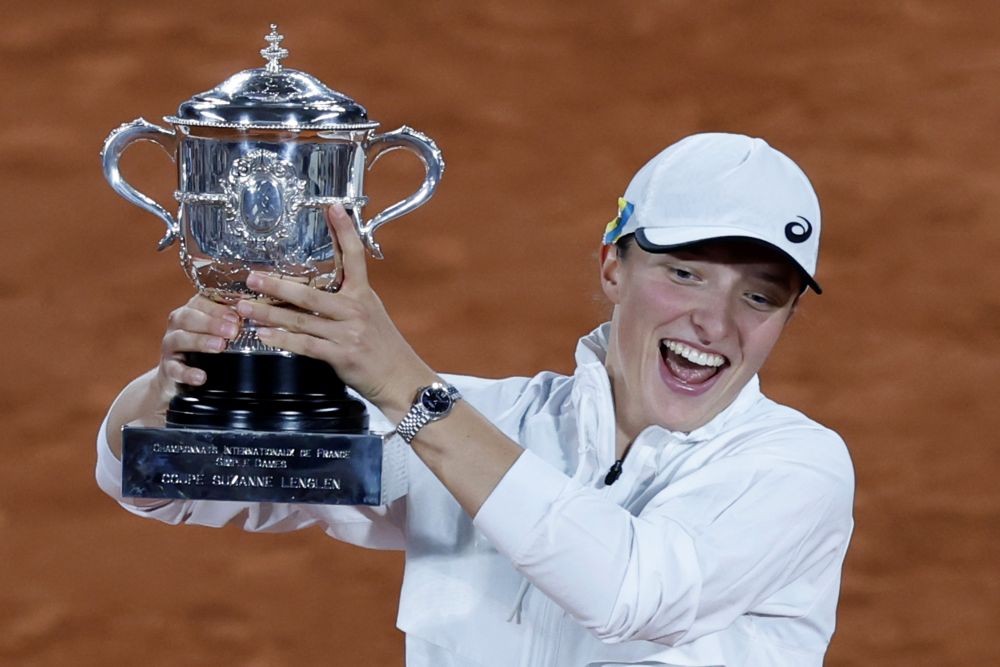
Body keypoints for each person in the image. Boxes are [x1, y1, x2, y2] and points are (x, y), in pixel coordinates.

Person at [96, 132, 854, 666]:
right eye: (685, 274)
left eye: (761, 295)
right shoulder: (483, 425)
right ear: (612, 268)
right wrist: (180, 390)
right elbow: (169, 485)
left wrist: (404, 385)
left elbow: (634, 591)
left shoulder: (795, 469)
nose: (717, 323)